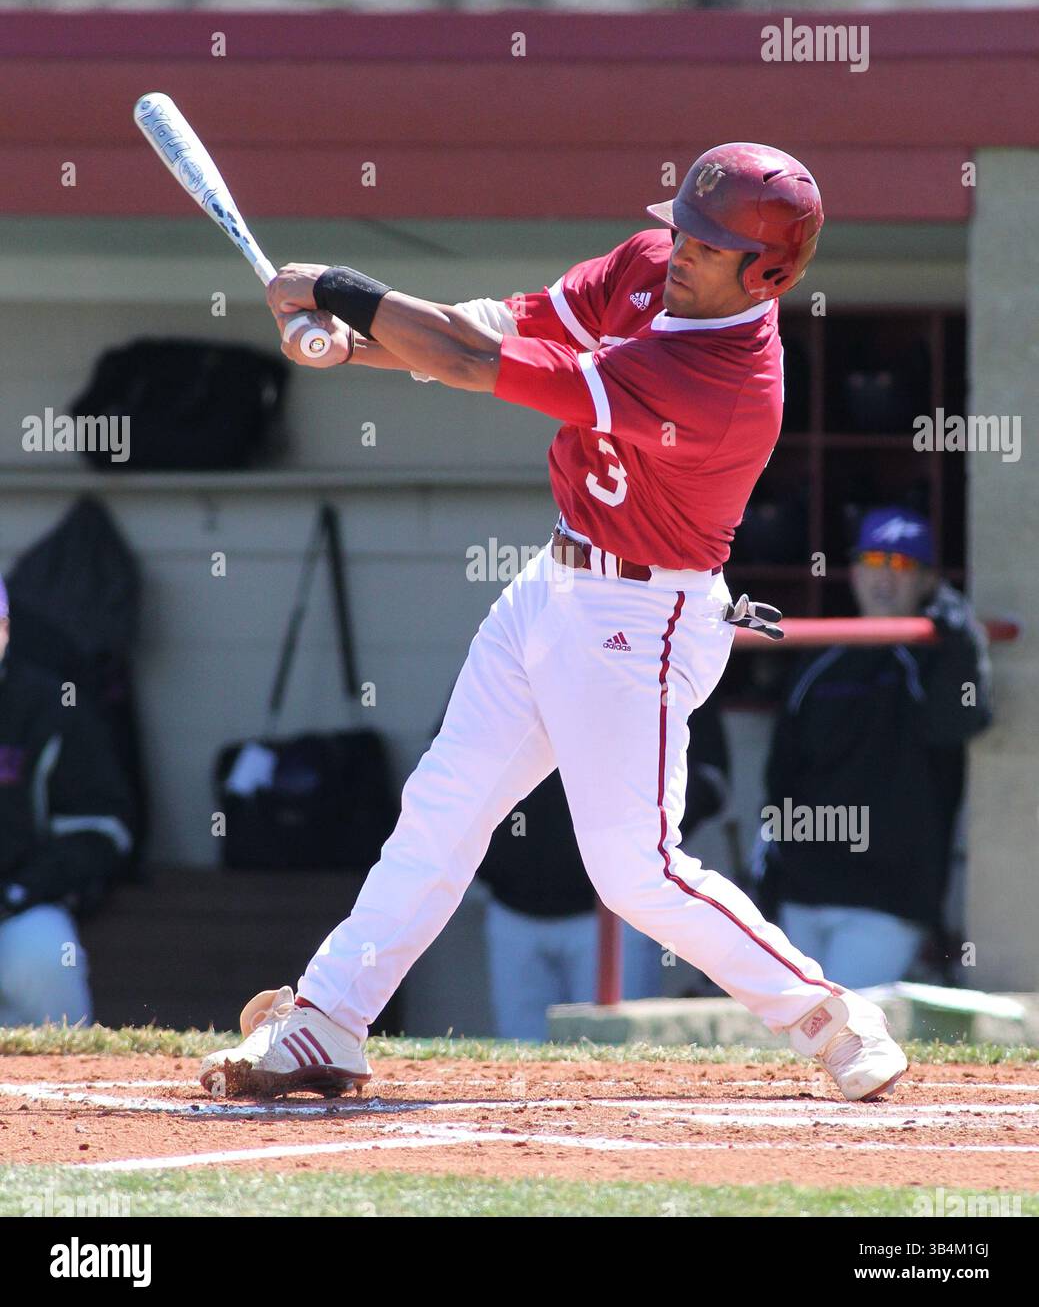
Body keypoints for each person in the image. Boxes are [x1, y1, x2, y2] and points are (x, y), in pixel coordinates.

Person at [201, 142, 909, 1103]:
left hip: (642, 615)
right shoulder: (649, 265)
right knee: (441, 808)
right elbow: (491, 326)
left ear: (769, 271)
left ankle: (831, 1017)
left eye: (705, 245)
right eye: (684, 231)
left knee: (634, 869)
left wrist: (338, 287)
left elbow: (472, 360)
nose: (678, 252)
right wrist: (351, 341)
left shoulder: (728, 383)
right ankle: (326, 1020)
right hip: (551, 581)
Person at [754, 508, 993, 989]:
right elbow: (781, 771)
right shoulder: (824, 654)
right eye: (874, 561)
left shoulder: (932, 655)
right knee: (792, 1032)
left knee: (845, 1023)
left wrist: (960, 641)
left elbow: (959, 722)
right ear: (856, 570)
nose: (884, 577)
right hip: (805, 890)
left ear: (927, 579)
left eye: (902, 566)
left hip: (887, 899)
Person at [479, 698, 730, 1038]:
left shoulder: (649, 652)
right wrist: (496, 861)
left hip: (611, 913)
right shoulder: (509, 651)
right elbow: (452, 769)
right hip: (512, 909)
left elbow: (711, 777)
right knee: (518, 1061)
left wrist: (638, 842)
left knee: (617, 1053)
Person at [0, 576, 135, 1024]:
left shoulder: (48, 704)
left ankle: (63, 1086)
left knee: (44, 951)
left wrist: (20, 889)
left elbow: (101, 828)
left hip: (15, 905)